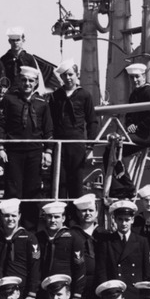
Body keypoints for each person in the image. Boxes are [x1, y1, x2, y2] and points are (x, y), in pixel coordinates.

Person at [0, 66, 53, 226]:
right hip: (13, 151)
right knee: (13, 190)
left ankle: (30, 229)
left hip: (34, 151)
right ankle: (10, 225)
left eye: (31, 81)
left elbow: (48, 128)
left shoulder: (42, 102)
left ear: (35, 83)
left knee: (32, 191)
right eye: (24, 80)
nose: (27, 83)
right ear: (19, 81)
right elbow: (0, 124)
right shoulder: (9, 100)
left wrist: (48, 151)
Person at [49, 58, 98, 201]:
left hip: (77, 143)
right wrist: (50, 147)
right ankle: (62, 216)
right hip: (60, 145)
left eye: (70, 74)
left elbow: (92, 121)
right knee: (60, 182)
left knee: (76, 183)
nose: (68, 78)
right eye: (64, 75)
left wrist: (90, 145)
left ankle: (75, 218)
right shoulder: (55, 96)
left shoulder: (84, 96)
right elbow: (50, 122)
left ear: (77, 75)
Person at [95, 200, 150, 299]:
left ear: (132, 220)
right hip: (114, 296)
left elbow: (147, 272)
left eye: (127, 220)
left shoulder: (142, 241)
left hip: (135, 296)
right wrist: (105, 296)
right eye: (120, 219)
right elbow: (102, 272)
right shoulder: (106, 242)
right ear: (115, 220)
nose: (124, 223)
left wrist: (145, 297)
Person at [0, 198, 41, 299]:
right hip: (1, 289)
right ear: (1, 217)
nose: (10, 219)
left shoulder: (30, 238)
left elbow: (35, 265)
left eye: (13, 215)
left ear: (19, 216)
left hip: (22, 290)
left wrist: (32, 293)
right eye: (7, 216)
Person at [36, 202, 87, 299]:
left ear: (63, 218)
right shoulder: (38, 237)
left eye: (56, 217)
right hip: (43, 290)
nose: (53, 220)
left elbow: (80, 268)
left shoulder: (74, 238)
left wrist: (77, 294)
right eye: (50, 217)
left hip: (65, 290)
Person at [69, 193, 103, 299]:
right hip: (79, 288)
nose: (87, 213)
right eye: (84, 211)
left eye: (91, 210)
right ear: (78, 213)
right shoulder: (72, 235)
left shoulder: (103, 234)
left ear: (97, 213)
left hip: (99, 286)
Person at [124, 62, 150, 152]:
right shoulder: (134, 94)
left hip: (147, 136)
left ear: (144, 77)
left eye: (137, 76)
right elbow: (129, 115)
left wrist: (137, 127)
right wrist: (129, 124)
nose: (134, 80)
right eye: (131, 77)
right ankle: (115, 165)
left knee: (117, 143)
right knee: (111, 145)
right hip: (137, 134)